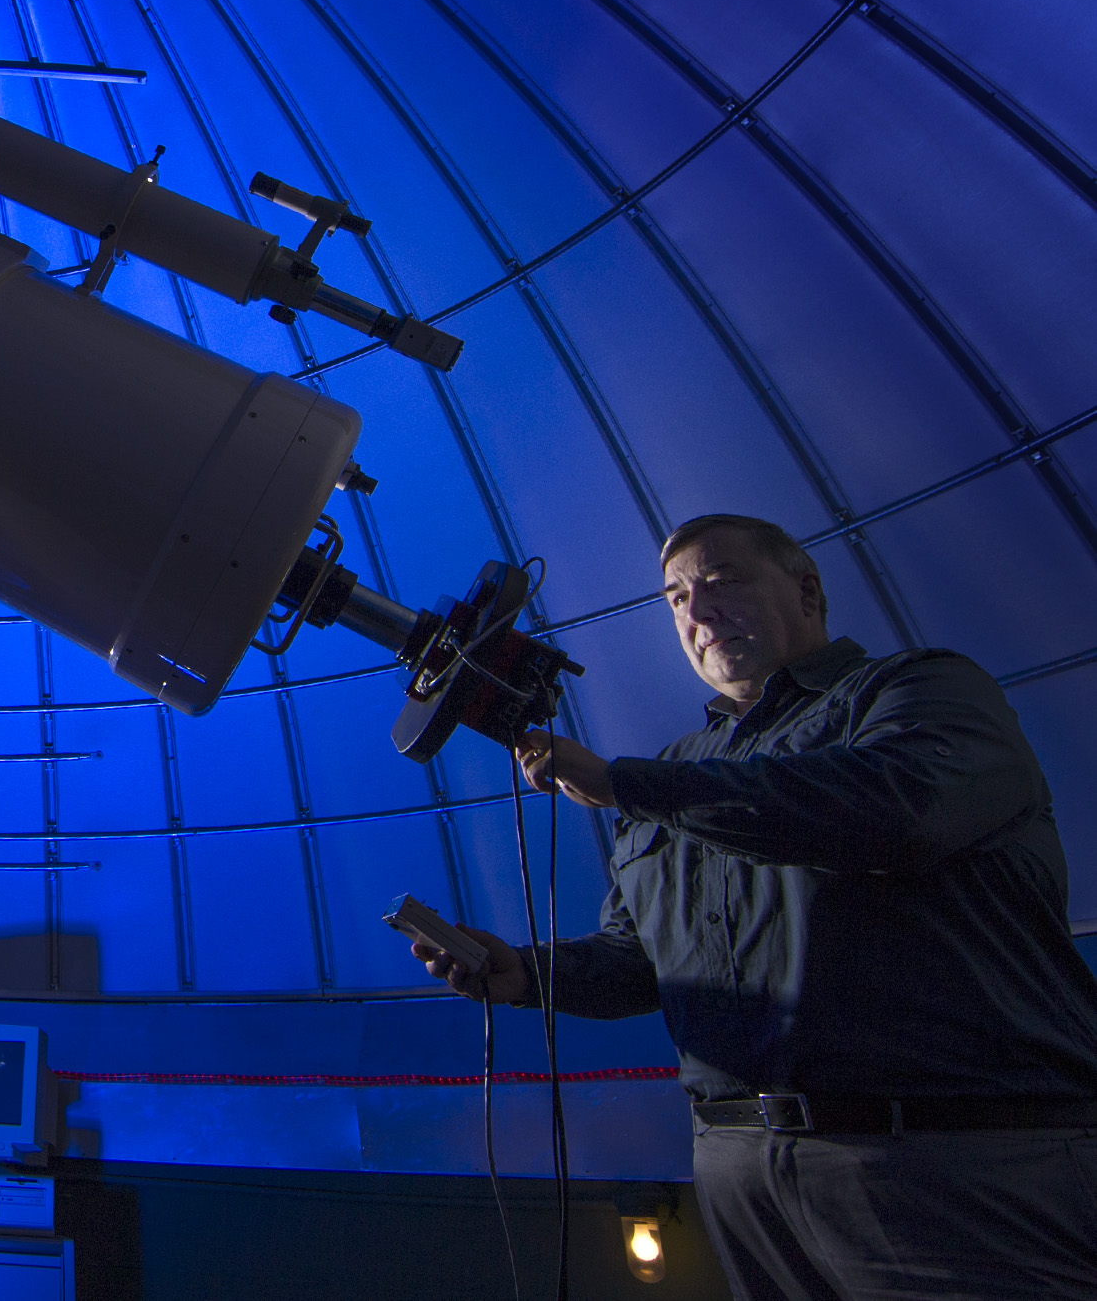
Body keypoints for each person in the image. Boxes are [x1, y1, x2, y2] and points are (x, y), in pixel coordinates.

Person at [411, 513, 1097, 1299]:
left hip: (950, 1163)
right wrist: (524, 974)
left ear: (807, 590)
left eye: (721, 582)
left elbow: (896, 810)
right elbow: (642, 964)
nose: (697, 614)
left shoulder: (919, 690)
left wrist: (627, 785)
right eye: (675, 599)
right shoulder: (678, 769)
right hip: (743, 1173)